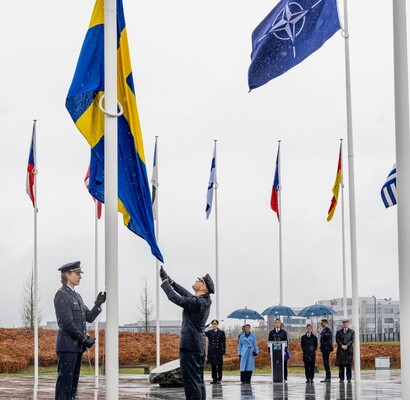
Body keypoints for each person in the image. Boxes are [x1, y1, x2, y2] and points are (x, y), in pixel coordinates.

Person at [160, 266, 214, 400]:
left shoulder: (197, 302)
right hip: (197, 347)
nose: (197, 280)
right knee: (198, 382)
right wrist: (172, 282)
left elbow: (175, 298)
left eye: (200, 280)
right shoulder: (203, 301)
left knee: (191, 384)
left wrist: (164, 282)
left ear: (203, 288)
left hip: (190, 348)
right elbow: (185, 293)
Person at [54, 261, 106, 400]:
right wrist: (84, 339)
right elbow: (67, 323)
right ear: (67, 275)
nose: (80, 277)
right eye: (77, 274)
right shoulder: (62, 295)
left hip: (76, 347)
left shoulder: (77, 296)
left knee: (73, 385)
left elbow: (88, 317)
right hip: (67, 347)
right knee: (65, 384)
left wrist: (98, 304)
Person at [205, 319, 226, 384]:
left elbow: (224, 342)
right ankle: (214, 379)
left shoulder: (221, 332)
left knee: (219, 365)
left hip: (219, 350)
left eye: (215, 324)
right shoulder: (209, 332)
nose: (214, 326)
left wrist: (224, 350)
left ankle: (219, 379)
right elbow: (201, 331)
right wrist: (206, 326)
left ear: (217, 325)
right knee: (213, 365)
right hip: (212, 351)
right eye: (213, 324)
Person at [319, 318, 334, 382]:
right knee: (325, 363)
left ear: (326, 323)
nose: (321, 324)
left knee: (326, 363)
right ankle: (327, 377)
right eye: (321, 323)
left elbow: (327, 336)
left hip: (326, 348)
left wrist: (320, 332)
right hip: (324, 348)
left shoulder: (328, 330)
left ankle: (328, 377)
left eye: (322, 323)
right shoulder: (324, 330)